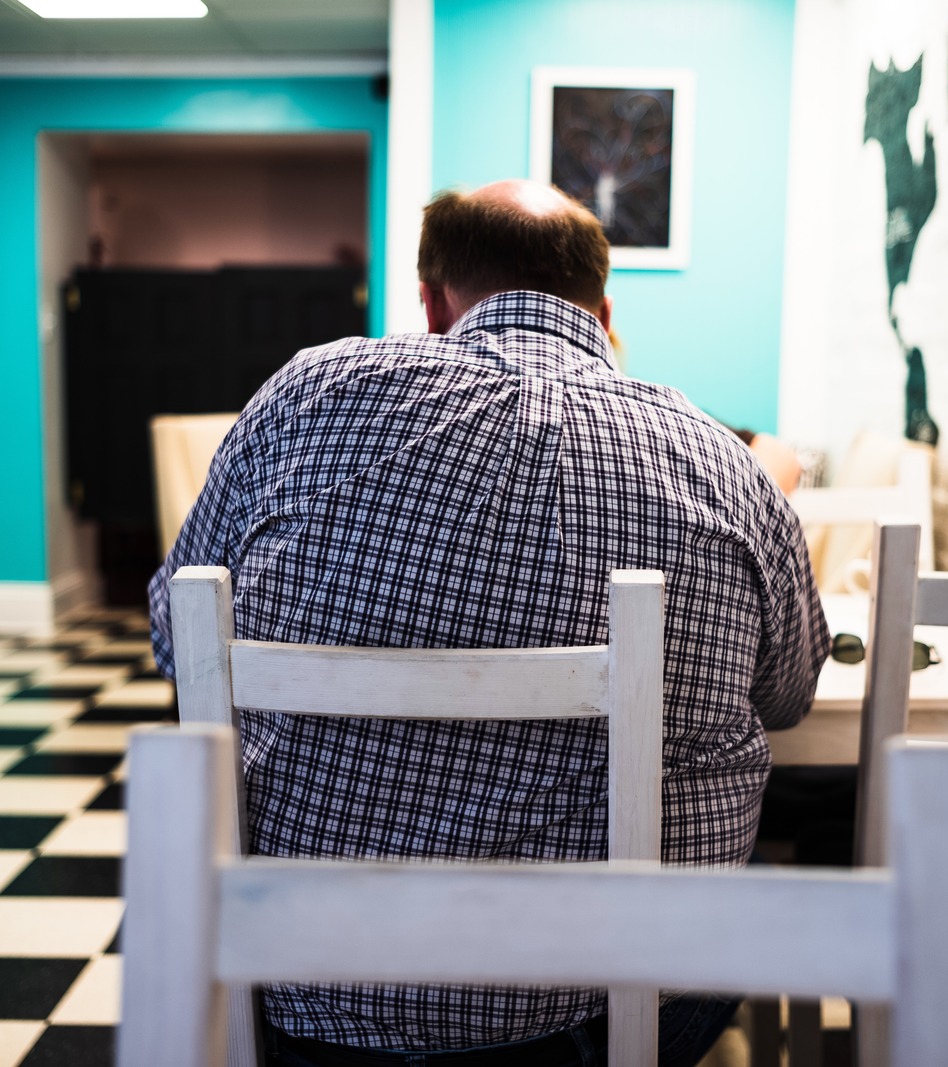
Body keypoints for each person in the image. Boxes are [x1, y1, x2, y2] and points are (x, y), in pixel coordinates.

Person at [149, 179, 830, 1067]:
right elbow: (787, 697)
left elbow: (179, 641)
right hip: (610, 1022)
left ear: (432, 302)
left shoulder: (304, 398)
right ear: (604, 315)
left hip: (301, 1002)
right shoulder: (721, 462)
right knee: (749, 886)